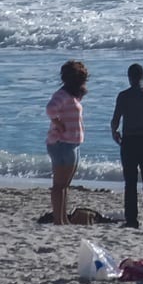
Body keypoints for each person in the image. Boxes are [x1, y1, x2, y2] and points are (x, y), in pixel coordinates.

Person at [110, 63, 143, 229]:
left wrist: (114, 132)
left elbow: (115, 120)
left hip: (129, 141)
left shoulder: (123, 96)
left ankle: (132, 220)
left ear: (129, 78)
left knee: (130, 182)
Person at [45, 61, 88, 225]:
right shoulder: (62, 94)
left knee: (65, 185)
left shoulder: (72, 95)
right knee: (59, 184)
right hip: (61, 142)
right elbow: (50, 109)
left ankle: (63, 218)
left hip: (72, 141)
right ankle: (58, 219)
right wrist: (58, 123)